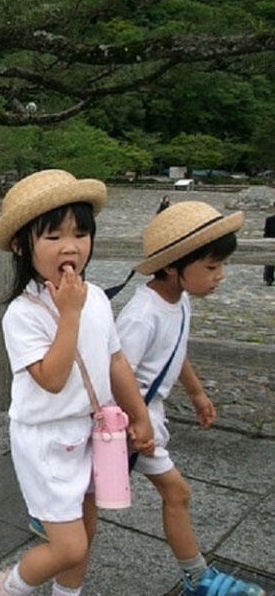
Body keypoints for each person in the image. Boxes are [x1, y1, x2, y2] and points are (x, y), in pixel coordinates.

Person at [0, 169, 154, 596]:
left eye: (80, 234)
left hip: (90, 429)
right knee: (68, 545)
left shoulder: (94, 296)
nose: (70, 247)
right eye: (53, 236)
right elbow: (52, 379)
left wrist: (140, 414)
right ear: (21, 245)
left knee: (88, 523)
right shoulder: (22, 314)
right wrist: (70, 314)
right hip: (45, 440)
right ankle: (11, 587)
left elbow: (115, 359)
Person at [116, 201, 265, 596]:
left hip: (147, 415)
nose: (221, 277)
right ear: (171, 266)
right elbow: (116, 374)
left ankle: (52, 512)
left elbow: (175, 352)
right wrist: (137, 421)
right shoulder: (141, 314)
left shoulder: (176, 300)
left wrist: (197, 392)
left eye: (221, 266)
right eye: (211, 268)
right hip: (137, 417)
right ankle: (198, 578)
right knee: (177, 492)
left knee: (94, 488)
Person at [263, 202, 275, 286]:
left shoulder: (269, 220)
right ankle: (269, 278)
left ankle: (269, 278)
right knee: (269, 263)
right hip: (271, 243)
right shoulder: (269, 220)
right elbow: (266, 232)